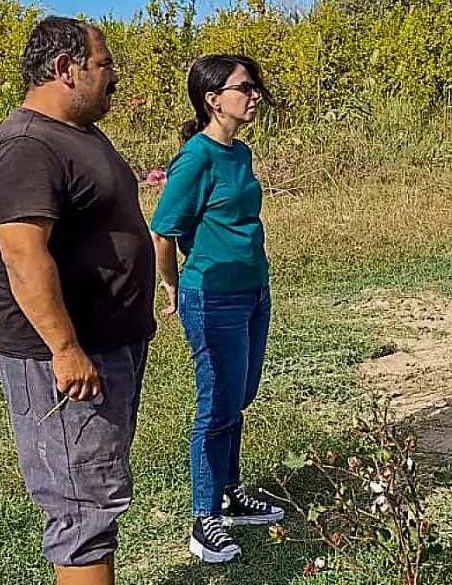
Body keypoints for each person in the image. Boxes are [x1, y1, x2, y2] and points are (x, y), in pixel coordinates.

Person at [0, 16, 156, 585]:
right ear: (65, 68)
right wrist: (65, 348)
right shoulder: (26, 147)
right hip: (70, 360)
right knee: (81, 511)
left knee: (97, 491)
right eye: (104, 65)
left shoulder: (77, 132)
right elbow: (23, 256)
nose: (114, 76)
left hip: (110, 346)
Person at [150, 55, 284, 564]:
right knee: (217, 404)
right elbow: (162, 230)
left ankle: (230, 494)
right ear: (213, 100)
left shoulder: (240, 153)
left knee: (239, 395)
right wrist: (170, 285)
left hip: (252, 291)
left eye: (253, 86)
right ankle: (204, 517)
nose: (253, 95)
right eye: (243, 87)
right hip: (211, 296)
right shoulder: (196, 158)